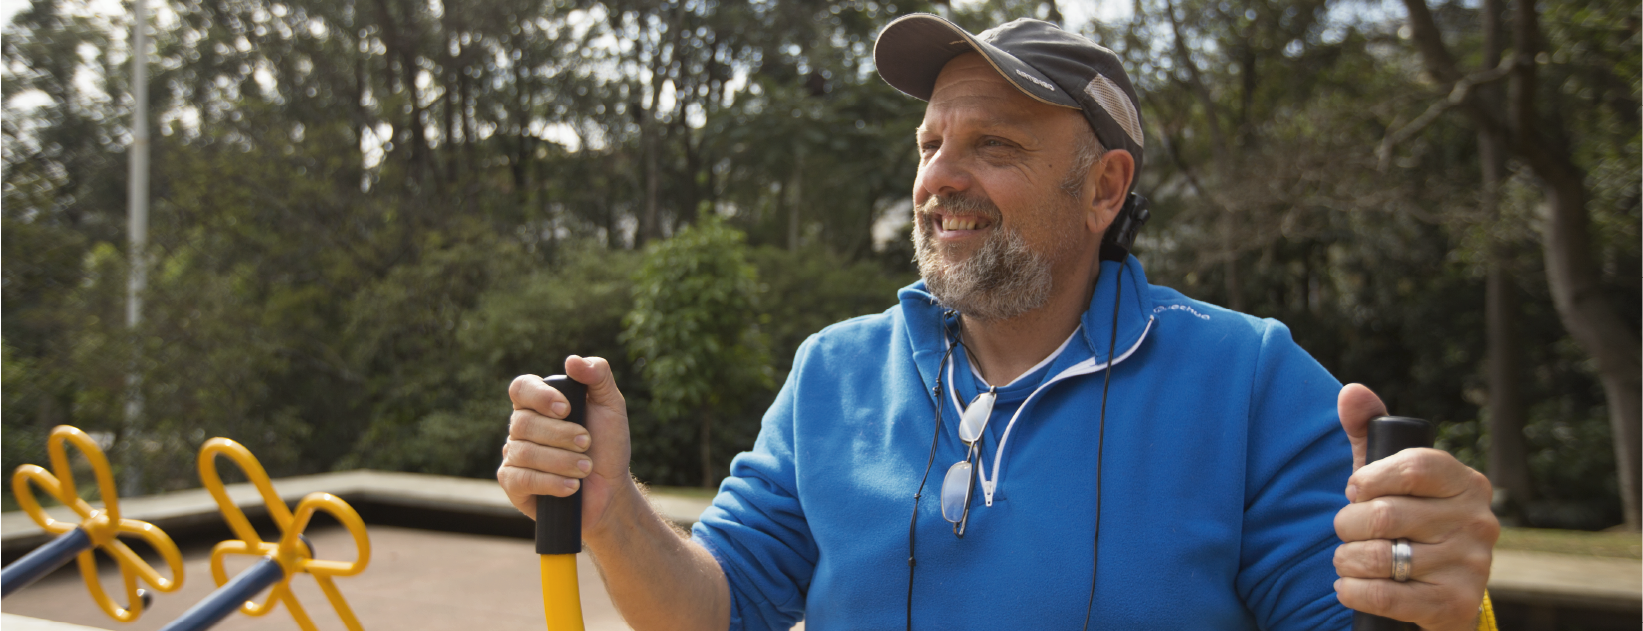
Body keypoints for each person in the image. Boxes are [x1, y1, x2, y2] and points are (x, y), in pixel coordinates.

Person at [497, 13, 1498, 631]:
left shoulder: (1251, 379)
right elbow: (718, 610)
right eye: (930, 142)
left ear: (1104, 188)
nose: (939, 177)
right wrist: (611, 510)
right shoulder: (832, 372)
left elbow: (1363, 619)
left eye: (992, 144)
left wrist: (1431, 590)